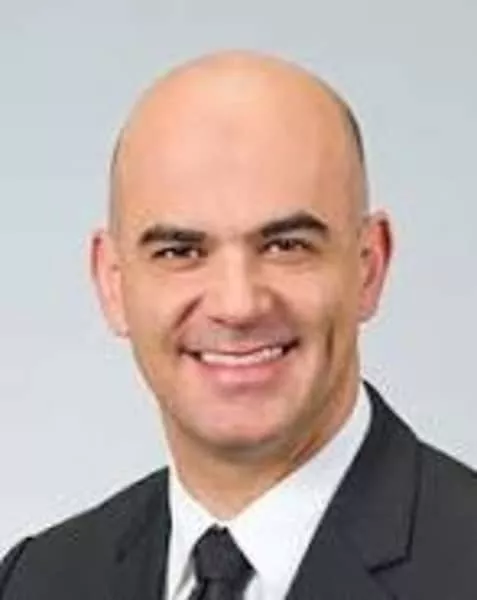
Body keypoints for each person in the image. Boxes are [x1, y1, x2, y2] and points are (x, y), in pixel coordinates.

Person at [1, 50, 477, 600]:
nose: (238, 304)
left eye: (286, 245)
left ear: (369, 267)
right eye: (180, 251)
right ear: (112, 283)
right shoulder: (39, 580)